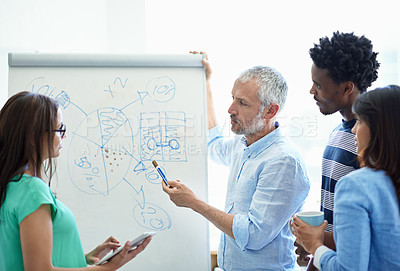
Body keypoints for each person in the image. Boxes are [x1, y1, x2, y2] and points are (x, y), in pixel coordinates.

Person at [163, 53, 310, 270]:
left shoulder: (283, 162)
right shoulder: (242, 144)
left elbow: (253, 234)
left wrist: (193, 203)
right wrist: (205, 81)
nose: (231, 109)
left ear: (270, 111)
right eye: (233, 98)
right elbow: (213, 143)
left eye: (242, 103)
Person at [0, 91, 152, 270]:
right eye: (59, 129)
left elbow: (22, 256)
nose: (63, 136)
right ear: (33, 137)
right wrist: (106, 268)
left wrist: (85, 258)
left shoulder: (12, 186)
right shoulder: (33, 191)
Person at [291, 85, 400, 270]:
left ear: (379, 128)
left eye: (360, 121)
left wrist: (315, 247)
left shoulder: (356, 185)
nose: (353, 130)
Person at [298, 32, 380, 266]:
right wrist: (314, 244)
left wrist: (317, 241)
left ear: (347, 88)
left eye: (319, 85)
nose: (312, 91)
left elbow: (368, 232)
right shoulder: (338, 131)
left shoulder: (371, 144)